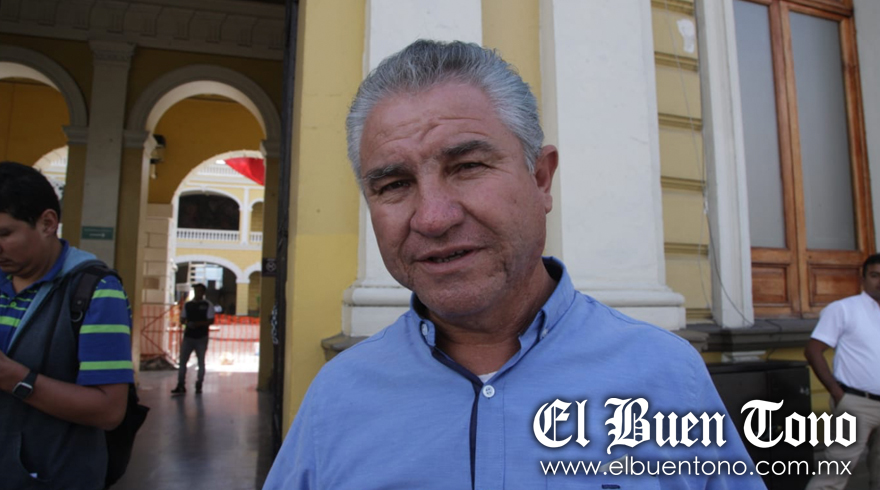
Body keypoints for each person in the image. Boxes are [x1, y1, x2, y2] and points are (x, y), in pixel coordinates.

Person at [265, 40, 765, 489]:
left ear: (541, 178)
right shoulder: (337, 398)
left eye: (467, 167)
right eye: (394, 184)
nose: (433, 217)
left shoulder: (668, 377)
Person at [0, 161, 133, 489]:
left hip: (51, 475)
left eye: (4, 234)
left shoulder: (95, 291)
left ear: (47, 223)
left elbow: (109, 410)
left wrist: (13, 377)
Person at [804, 254, 880, 490]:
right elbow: (813, 350)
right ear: (863, 279)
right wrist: (838, 394)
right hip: (856, 403)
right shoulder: (844, 309)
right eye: (875, 275)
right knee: (833, 475)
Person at [172, 282, 214, 395]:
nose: (197, 293)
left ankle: (199, 383)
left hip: (201, 337)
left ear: (203, 292)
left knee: (201, 362)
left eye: (199, 291)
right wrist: (185, 322)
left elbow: (211, 320)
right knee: (182, 362)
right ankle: (180, 384)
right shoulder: (188, 305)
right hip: (188, 337)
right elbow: (182, 318)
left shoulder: (208, 305)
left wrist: (197, 324)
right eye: (196, 291)